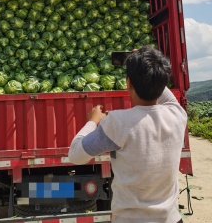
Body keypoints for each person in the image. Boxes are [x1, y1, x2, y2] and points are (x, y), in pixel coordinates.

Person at [68, 46, 187, 223]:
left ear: (128, 83)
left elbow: (75, 155)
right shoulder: (177, 114)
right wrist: (147, 62)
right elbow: (163, 91)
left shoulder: (119, 123)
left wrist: (93, 121)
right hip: (171, 219)